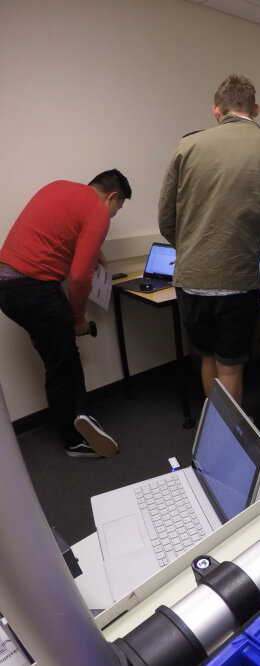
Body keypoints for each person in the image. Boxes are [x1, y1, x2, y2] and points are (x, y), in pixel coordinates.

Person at [158, 74, 260, 406]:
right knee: (231, 366)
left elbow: (166, 218)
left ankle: (218, 428)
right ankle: (230, 433)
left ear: (216, 110)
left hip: (192, 277)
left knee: (207, 356)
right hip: (241, 277)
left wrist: (191, 249)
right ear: (255, 109)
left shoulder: (186, 146)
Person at [0, 170, 132, 458]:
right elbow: (79, 277)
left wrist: (95, 250)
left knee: (63, 355)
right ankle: (74, 440)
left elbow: (58, 234)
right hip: (35, 288)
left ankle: (83, 415)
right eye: (117, 208)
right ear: (111, 197)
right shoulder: (98, 211)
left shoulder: (59, 187)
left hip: (8, 286)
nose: (112, 215)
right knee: (60, 365)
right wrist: (78, 318)